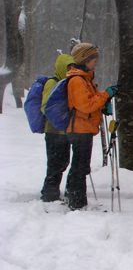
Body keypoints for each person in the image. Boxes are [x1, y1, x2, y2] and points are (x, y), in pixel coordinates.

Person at [65, 43, 118, 210]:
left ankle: (73, 197)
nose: (95, 62)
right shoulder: (77, 80)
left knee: (79, 165)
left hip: (84, 128)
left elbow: (92, 102)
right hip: (79, 128)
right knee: (80, 166)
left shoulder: (85, 79)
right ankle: (76, 202)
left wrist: (103, 103)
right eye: (93, 59)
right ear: (84, 59)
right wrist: (106, 94)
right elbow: (86, 105)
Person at [40, 53, 76, 202]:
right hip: (53, 131)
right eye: (68, 67)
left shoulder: (68, 83)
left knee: (63, 162)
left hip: (65, 131)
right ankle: (49, 193)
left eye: (72, 67)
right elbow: (45, 106)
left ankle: (52, 191)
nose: (70, 70)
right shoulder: (52, 83)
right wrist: (60, 116)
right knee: (55, 163)